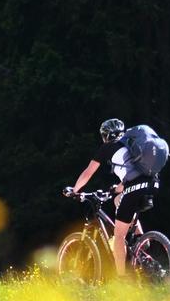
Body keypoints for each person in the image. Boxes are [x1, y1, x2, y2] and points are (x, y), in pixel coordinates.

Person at [65, 118, 159, 277]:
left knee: (119, 237)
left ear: (105, 136)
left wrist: (74, 190)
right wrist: (117, 188)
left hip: (135, 187)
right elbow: (133, 174)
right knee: (117, 199)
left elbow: (88, 173)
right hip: (153, 183)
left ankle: (121, 282)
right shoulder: (131, 146)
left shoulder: (107, 148)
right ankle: (140, 239)